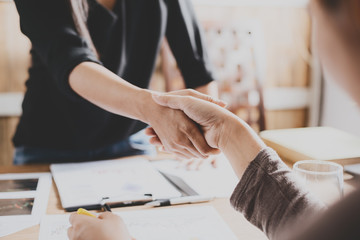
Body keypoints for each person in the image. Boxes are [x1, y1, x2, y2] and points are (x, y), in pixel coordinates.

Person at [67, 0, 360, 239]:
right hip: (54, 141)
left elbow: (197, 66)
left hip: (133, 141)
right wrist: (224, 130)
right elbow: (70, 59)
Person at [12, 0, 220, 165]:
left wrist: (207, 133)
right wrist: (153, 108)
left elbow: (198, 71)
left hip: (131, 141)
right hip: (48, 147)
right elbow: (73, 64)